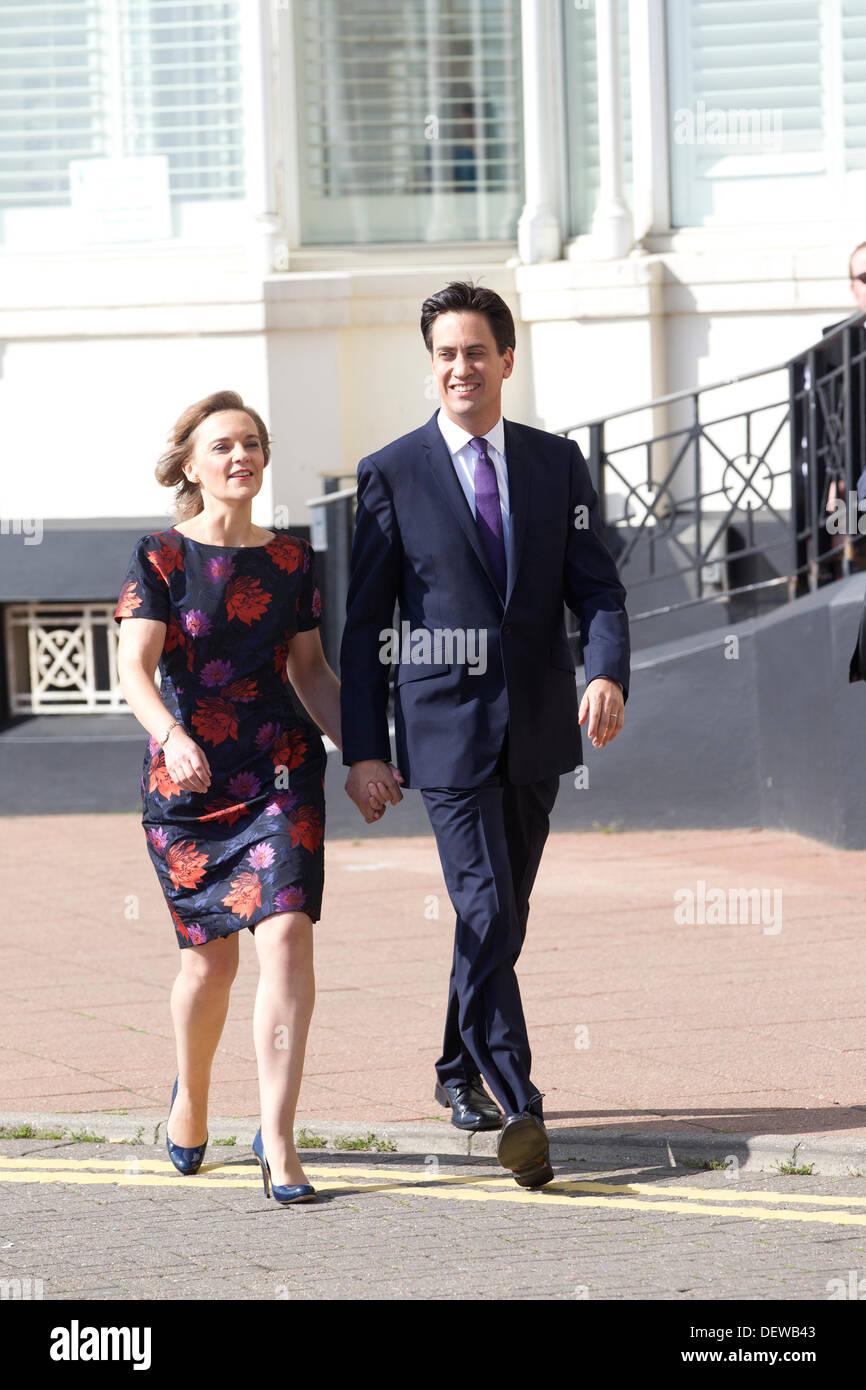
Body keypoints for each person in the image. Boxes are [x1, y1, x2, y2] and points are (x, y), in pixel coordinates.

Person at [339, 282, 630, 1188]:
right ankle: (520, 1103)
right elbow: (364, 623)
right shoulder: (392, 471)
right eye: (444, 355)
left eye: (475, 352)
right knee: (489, 908)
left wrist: (608, 669)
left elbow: (599, 588)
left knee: (498, 916)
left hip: (541, 725)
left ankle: (453, 1070)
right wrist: (363, 748)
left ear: (507, 359)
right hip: (445, 732)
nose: (459, 368)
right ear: (432, 367)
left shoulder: (555, 463)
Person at [114, 389, 341, 1206]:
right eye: (221, 447)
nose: (239, 457)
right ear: (190, 465)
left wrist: (368, 752)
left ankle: (278, 1138)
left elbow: (310, 673)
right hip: (191, 784)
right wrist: (170, 736)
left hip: (280, 771)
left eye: (250, 443)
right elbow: (135, 670)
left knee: (285, 936)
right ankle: (194, 1098)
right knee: (209, 965)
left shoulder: (290, 561)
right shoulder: (161, 557)